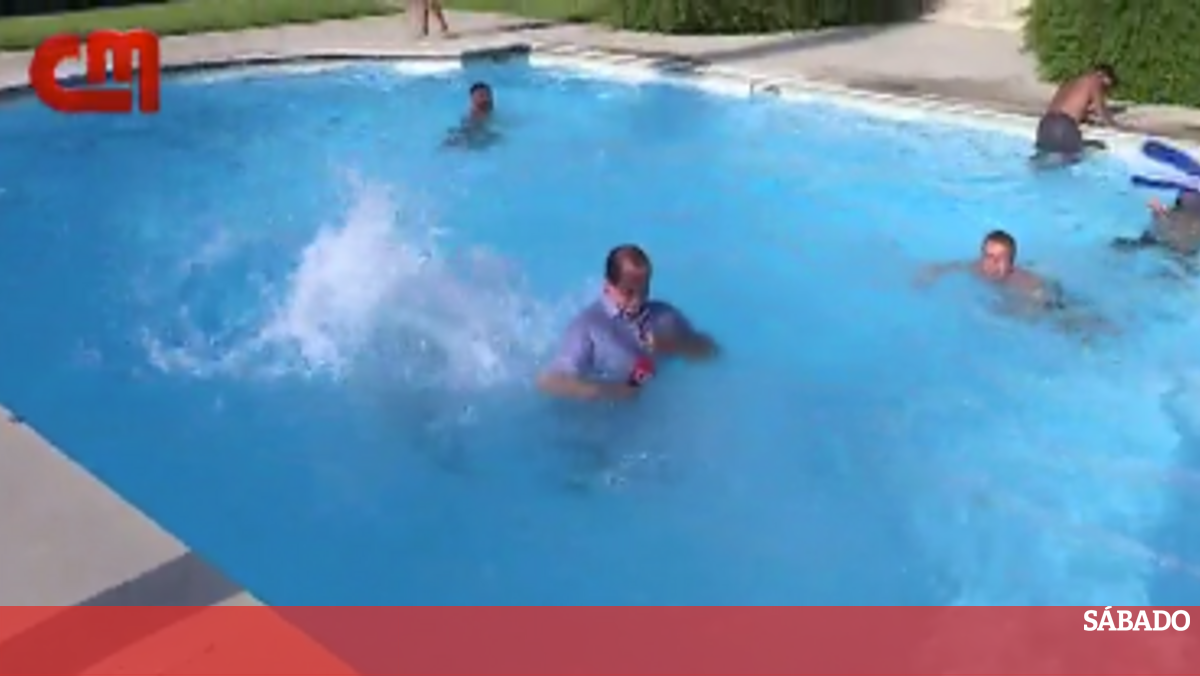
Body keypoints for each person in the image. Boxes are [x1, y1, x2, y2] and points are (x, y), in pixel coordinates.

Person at [537, 245, 718, 400]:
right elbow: (550, 382)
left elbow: (710, 351)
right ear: (607, 287)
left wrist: (671, 344)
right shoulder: (588, 328)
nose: (637, 302)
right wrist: (616, 391)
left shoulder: (664, 316)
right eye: (628, 293)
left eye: (644, 291)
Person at [918, 230, 1064, 310]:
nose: (992, 264)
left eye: (1000, 258)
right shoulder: (977, 268)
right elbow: (945, 267)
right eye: (988, 256)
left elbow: (1046, 306)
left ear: (1010, 264)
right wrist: (929, 275)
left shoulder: (1026, 285)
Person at [1033, 64, 1120, 163]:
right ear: (1104, 76)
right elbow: (1101, 110)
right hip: (1062, 126)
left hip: (1045, 125)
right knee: (1074, 161)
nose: (1104, 91)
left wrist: (1087, 118)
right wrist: (1117, 126)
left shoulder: (1071, 82)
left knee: (1042, 162)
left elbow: (1069, 107)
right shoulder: (1095, 80)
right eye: (1106, 87)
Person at [1112, 191, 1200, 256]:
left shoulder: (1170, 213)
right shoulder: (1171, 212)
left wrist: (1157, 212)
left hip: (1170, 245)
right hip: (1180, 249)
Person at [443, 82, 496, 149]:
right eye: (481, 96)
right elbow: (470, 133)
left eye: (488, 95)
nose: (487, 99)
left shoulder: (487, 112)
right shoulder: (473, 116)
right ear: (472, 98)